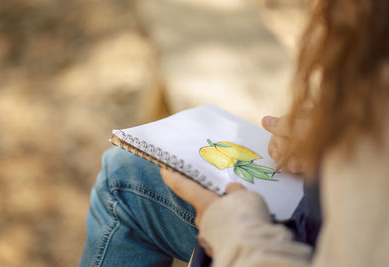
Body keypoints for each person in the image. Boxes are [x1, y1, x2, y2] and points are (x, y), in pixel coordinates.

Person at [79, 0, 389, 266]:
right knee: (129, 169)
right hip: (320, 213)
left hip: (285, 242)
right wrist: (334, 140)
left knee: (123, 185)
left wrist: (237, 232)